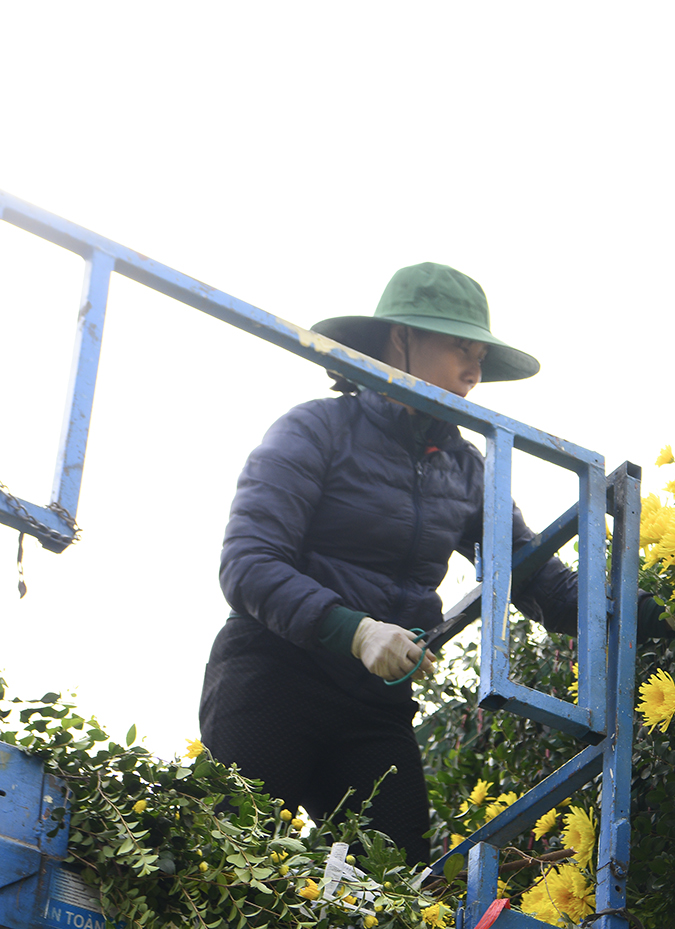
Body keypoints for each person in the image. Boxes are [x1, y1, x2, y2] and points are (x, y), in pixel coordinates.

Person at [199, 262, 578, 863]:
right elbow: (247, 563)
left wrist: (666, 610)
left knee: (398, 894)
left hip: (373, 705)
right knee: (229, 866)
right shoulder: (316, 429)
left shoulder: (465, 468)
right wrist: (356, 630)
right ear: (400, 340)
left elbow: (537, 580)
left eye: (481, 356)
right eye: (460, 348)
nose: (475, 372)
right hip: (277, 675)